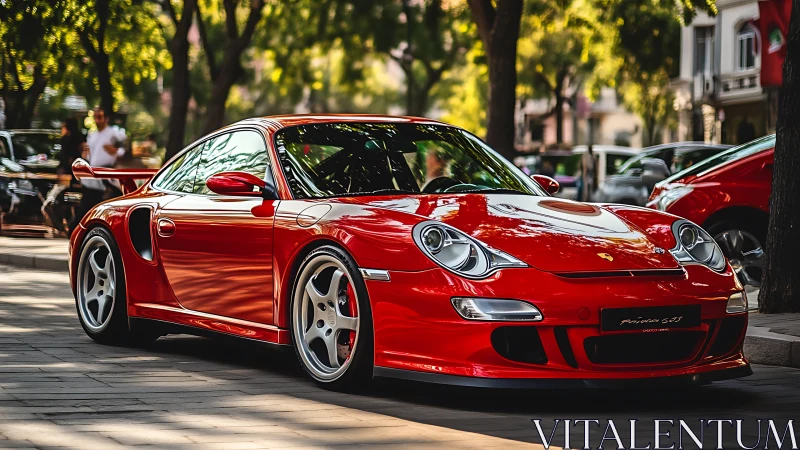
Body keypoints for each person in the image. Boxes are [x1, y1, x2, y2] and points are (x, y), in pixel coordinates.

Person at [68, 107, 127, 236]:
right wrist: (84, 154)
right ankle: (76, 231)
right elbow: (89, 155)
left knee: (101, 206)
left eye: (100, 117)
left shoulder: (113, 132)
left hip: (108, 175)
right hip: (93, 174)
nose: (97, 120)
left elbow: (125, 147)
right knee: (89, 205)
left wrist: (115, 151)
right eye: (95, 117)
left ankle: (76, 230)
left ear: (106, 119)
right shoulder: (92, 135)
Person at [43, 118, 85, 234]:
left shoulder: (67, 141)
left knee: (53, 201)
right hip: (79, 177)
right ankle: (66, 224)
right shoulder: (81, 138)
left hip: (67, 177)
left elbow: (66, 158)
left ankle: (61, 226)